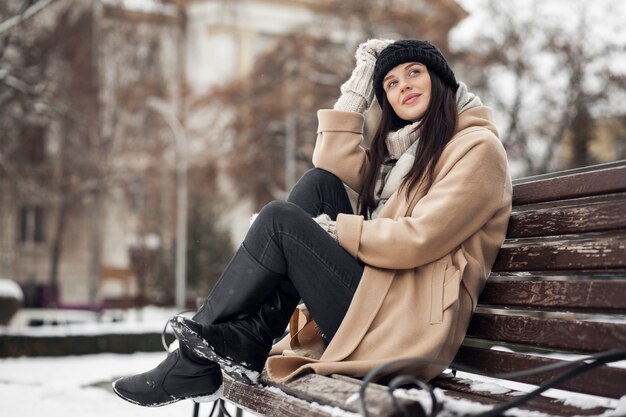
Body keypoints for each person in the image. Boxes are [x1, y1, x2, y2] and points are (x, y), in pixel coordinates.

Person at [112, 39, 512, 407]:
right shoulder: (406, 158)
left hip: (405, 324)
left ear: (439, 79)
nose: (402, 86)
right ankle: (239, 341)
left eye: (413, 72)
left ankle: (195, 361)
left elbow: (422, 237)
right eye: (389, 83)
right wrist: (360, 85)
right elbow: (331, 160)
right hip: (380, 299)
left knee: (278, 221)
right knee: (317, 185)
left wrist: (333, 231)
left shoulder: (477, 149)